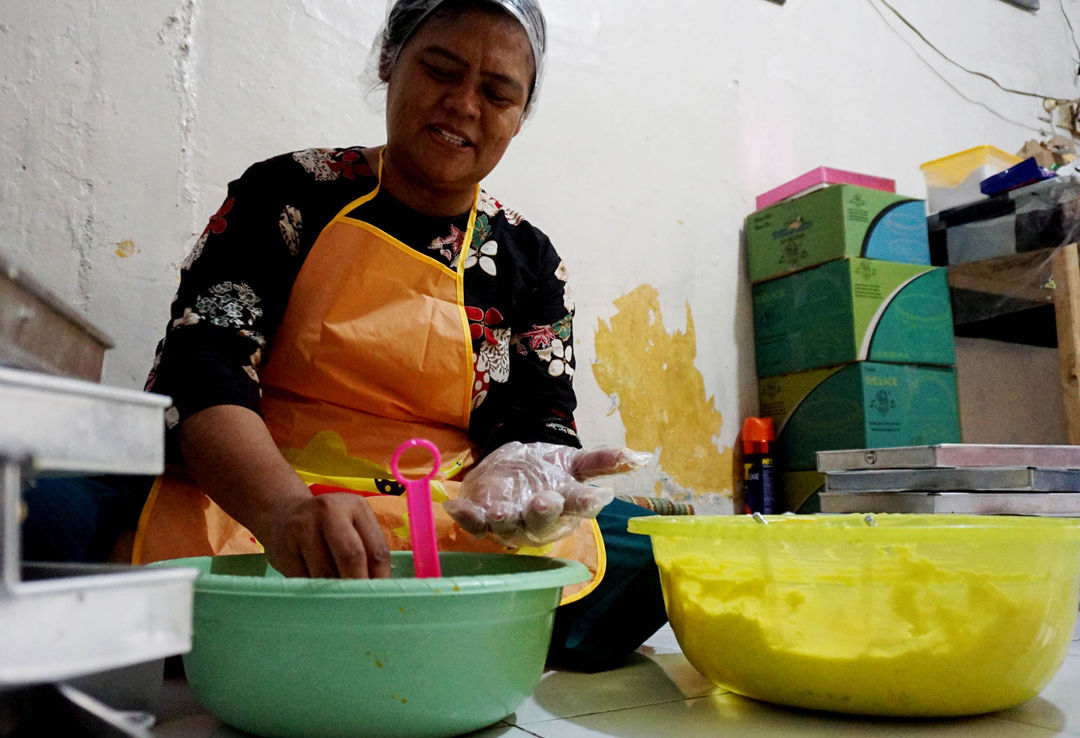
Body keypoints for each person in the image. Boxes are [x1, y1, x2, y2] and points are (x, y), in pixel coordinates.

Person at [22, 0, 670, 672]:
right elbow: (202, 372)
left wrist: (527, 467)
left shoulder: (528, 260)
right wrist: (284, 514)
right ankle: (441, 641)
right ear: (390, 62)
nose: (463, 105)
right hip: (259, 492)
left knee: (660, 549)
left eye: (497, 92)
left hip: (443, 512)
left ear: (519, 114)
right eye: (441, 70)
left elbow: (537, 427)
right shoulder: (290, 194)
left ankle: (255, 638)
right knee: (35, 511)